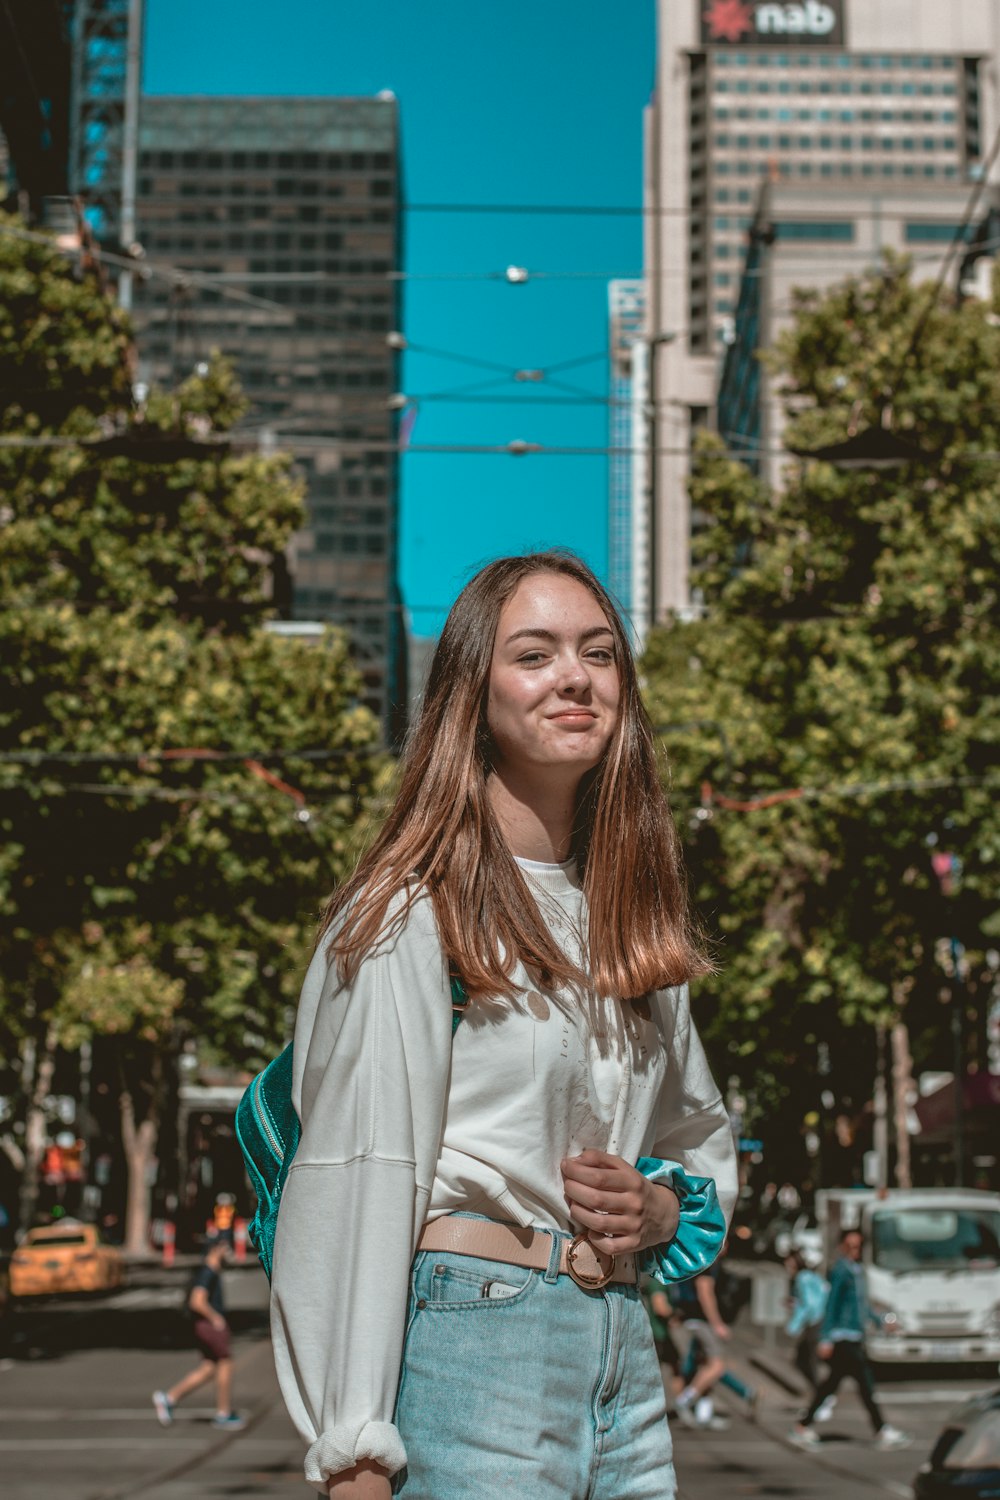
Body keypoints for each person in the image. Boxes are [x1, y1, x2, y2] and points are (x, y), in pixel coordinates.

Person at [269, 552, 739, 1499]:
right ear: (471, 697)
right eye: (536, 654)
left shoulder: (631, 916)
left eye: (599, 653)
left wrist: (661, 1210)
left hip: (621, 1350)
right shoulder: (409, 913)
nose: (575, 675)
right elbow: (355, 1179)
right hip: (471, 1340)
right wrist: (353, 1450)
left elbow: (699, 1134)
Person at [789, 1229, 909, 1452]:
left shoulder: (857, 1271)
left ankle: (802, 1426)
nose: (855, 1251)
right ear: (842, 1247)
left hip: (854, 1335)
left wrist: (881, 1321)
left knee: (830, 1385)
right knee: (865, 1385)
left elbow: (862, 1307)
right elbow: (832, 1304)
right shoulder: (841, 1270)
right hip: (843, 1337)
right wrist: (825, 1338)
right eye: (850, 1246)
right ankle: (881, 1429)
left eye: (858, 1246)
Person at [153, 1235, 244, 1430]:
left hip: (203, 1326)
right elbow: (197, 1301)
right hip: (209, 1325)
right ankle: (223, 1414)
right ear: (215, 1249)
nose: (226, 1251)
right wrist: (215, 1318)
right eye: (224, 1246)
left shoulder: (209, 1270)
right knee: (225, 1363)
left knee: (210, 1367)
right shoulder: (208, 1271)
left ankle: (169, 1398)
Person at [672, 1246, 757, 1429]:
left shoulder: (695, 1255)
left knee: (705, 1366)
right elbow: (705, 1292)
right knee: (717, 1365)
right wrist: (717, 1324)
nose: (726, 1246)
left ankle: (704, 1414)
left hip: (690, 1316)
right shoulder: (708, 1259)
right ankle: (684, 1400)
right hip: (701, 1320)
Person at [783, 1249, 834, 1422]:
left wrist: (794, 1325)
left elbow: (809, 1304)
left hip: (814, 1323)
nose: (786, 1265)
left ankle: (823, 1399)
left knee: (808, 1362)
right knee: (803, 1361)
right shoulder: (810, 1276)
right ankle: (821, 1397)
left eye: (789, 1261)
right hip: (818, 1321)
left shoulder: (802, 1277)